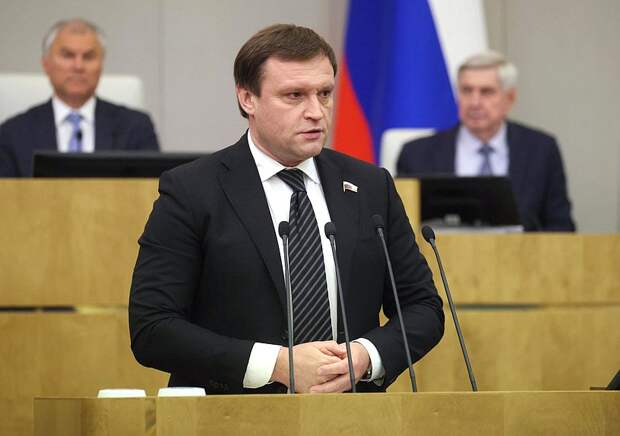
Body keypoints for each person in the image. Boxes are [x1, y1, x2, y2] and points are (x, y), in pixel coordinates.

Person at [129, 24, 444, 394]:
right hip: (232, 414)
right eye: (295, 95)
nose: (316, 112)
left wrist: (365, 355)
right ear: (248, 98)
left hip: (353, 413)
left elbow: (422, 307)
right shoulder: (193, 190)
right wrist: (276, 365)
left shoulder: (370, 186)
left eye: (324, 94)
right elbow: (153, 327)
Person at [397, 51, 575, 231]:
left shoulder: (541, 151)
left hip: (521, 249)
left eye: (486, 92)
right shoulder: (416, 155)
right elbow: (401, 230)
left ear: (510, 98)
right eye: (467, 91)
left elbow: (561, 228)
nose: (475, 102)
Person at [0, 18, 159, 177]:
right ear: (46, 64)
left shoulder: (135, 127)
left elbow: (150, 187)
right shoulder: (13, 133)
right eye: (68, 55)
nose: (78, 66)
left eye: (88, 57)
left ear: (101, 65)